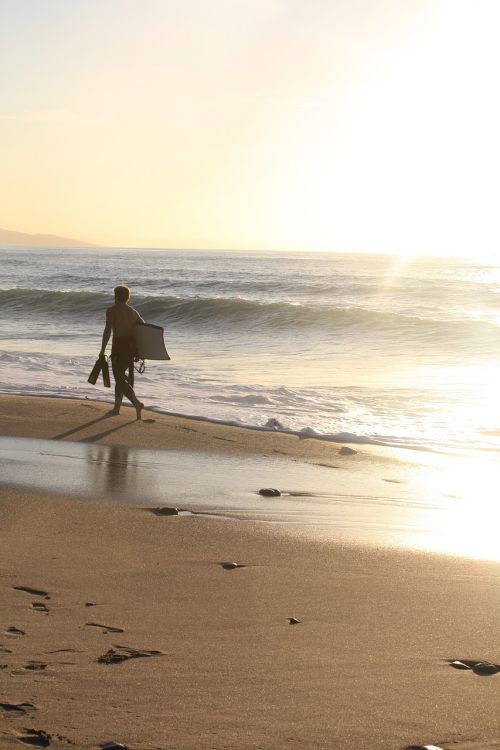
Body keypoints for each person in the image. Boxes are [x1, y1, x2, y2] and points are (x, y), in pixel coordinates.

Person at [99, 284, 144, 419]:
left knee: (119, 378)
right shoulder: (133, 312)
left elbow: (108, 331)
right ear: (127, 297)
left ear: (116, 296)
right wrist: (141, 352)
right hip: (130, 349)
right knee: (120, 379)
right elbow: (143, 330)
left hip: (119, 347)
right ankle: (117, 408)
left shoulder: (112, 310)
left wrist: (102, 350)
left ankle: (136, 403)